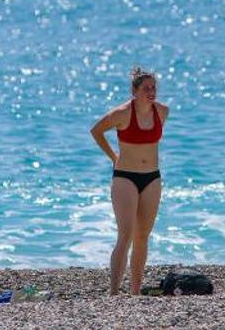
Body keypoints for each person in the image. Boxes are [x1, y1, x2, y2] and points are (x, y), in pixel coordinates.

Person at [90, 66, 169, 295]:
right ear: (134, 91)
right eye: (146, 88)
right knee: (125, 234)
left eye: (154, 88)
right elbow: (96, 131)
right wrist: (113, 156)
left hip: (152, 178)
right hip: (125, 177)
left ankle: (135, 292)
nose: (151, 92)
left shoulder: (162, 112)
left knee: (143, 235)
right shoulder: (122, 113)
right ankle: (114, 292)